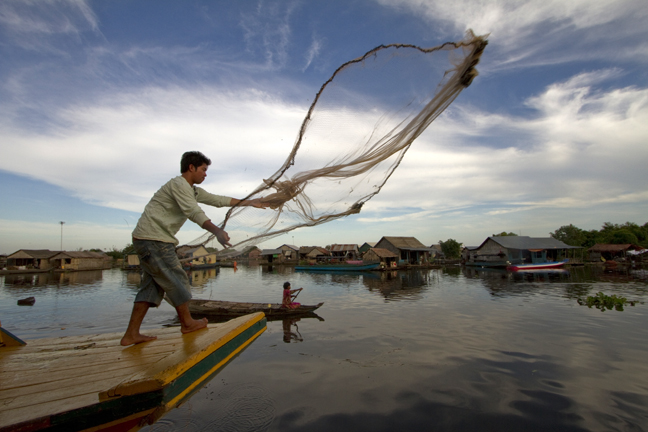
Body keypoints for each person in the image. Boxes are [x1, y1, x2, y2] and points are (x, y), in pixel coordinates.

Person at [120, 151, 266, 346]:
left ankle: (131, 334)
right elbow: (193, 212)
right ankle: (187, 323)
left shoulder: (192, 190)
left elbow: (218, 200)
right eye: (204, 170)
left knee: (152, 287)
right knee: (177, 278)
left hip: (150, 239)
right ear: (191, 168)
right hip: (153, 240)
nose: (205, 174)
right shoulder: (179, 185)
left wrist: (250, 202)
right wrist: (217, 231)